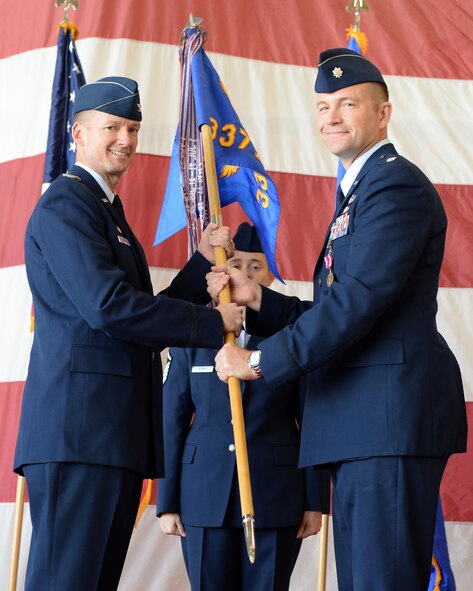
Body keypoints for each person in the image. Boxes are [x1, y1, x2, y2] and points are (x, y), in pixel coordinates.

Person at [211, 49, 468, 590]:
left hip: (385, 418)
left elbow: (359, 302)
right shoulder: (361, 190)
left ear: (383, 113)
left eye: (347, 103)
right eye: (323, 105)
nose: (330, 116)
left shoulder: (394, 187)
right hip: (361, 420)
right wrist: (257, 299)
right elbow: (338, 308)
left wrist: (257, 362)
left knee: (382, 581)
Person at [13, 76, 243, 591]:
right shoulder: (68, 207)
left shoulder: (103, 211)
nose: (125, 139)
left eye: (133, 128)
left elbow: (132, 318)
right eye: (112, 126)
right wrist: (212, 323)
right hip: (79, 435)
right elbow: (108, 308)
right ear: (78, 132)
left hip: (107, 435)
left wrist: (197, 270)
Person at [157, 222, 330, 591]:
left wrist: (315, 500)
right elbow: (171, 421)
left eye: (256, 266)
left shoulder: (293, 337)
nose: (245, 273)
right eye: (235, 263)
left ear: (269, 275)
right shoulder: (192, 332)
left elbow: (313, 418)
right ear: (220, 271)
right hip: (203, 495)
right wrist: (166, 500)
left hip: (276, 495)